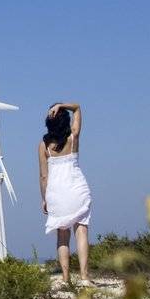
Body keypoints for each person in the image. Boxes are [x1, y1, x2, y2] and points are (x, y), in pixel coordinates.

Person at [39, 101, 91, 282]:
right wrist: (62, 105)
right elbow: (78, 107)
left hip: (56, 192)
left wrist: (44, 199)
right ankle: (84, 278)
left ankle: (66, 277)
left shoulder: (44, 145)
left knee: (62, 236)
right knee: (81, 231)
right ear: (65, 119)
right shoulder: (73, 137)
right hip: (77, 188)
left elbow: (44, 176)